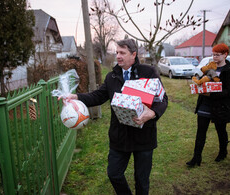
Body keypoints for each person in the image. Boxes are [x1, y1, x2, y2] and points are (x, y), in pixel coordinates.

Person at [64, 39, 168, 194]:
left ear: (133, 54)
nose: (118, 56)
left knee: (141, 180)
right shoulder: (112, 76)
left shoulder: (149, 72)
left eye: (122, 53)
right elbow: (98, 96)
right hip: (120, 136)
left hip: (144, 136)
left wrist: (152, 113)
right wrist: (76, 97)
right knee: (114, 174)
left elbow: (163, 100)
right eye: (117, 52)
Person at [186, 43, 230, 167]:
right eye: (213, 54)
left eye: (217, 55)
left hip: (220, 107)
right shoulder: (210, 67)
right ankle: (196, 158)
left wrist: (211, 95)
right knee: (200, 132)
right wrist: (197, 86)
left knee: (221, 130)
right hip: (205, 104)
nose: (214, 57)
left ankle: (223, 152)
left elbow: (229, 91)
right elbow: (203, 82)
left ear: (225, 54)